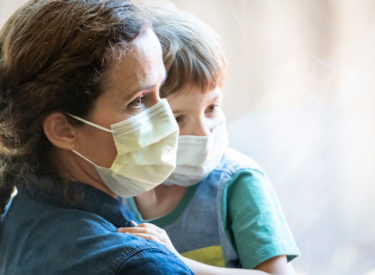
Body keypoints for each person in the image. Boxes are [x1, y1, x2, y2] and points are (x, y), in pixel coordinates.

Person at [0, 1, 194, 274]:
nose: (166, 117)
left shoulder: (17, 216)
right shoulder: (140, 264)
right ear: (63, 130)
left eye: (160, 89)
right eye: (138, 100)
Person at [119, 5, 300, 275]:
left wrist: (177, 263)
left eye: (211, 108)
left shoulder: (238, 182)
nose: (204, 132)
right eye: (179, 118)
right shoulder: (117, 190)